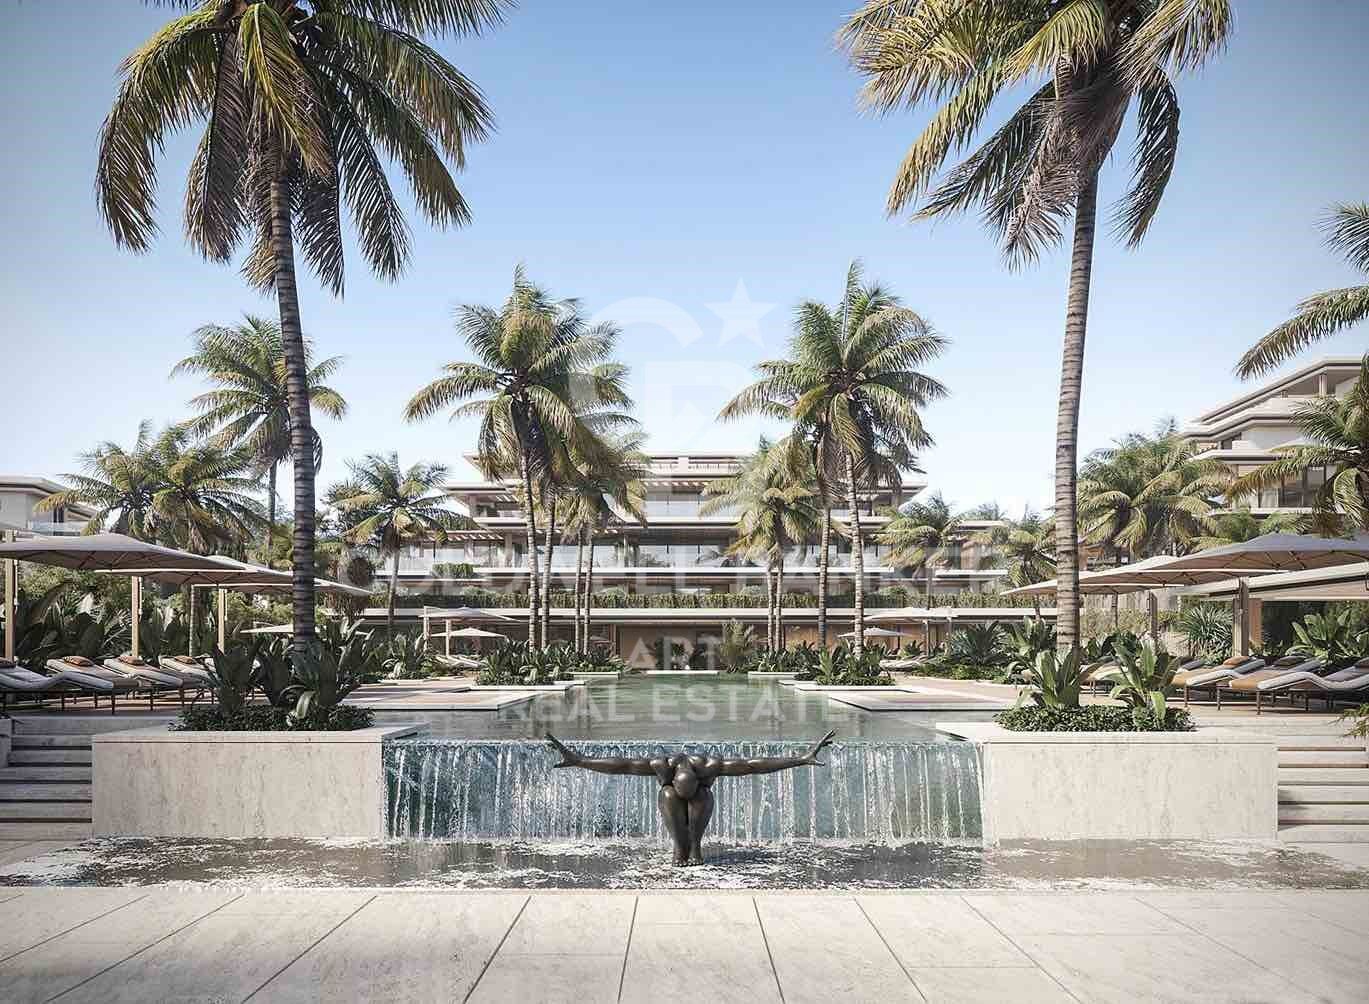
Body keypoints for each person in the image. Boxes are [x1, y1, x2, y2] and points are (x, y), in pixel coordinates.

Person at [546, 730, 836, 866]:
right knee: (667, 797)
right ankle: (679, 846)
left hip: (703, 797)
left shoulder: (709, 767)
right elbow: (621, 765)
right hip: (669, 792)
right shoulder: (662, 766)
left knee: (704, 799)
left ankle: (695, 844)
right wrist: (580, 760)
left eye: (691, 787)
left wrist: (800, 759)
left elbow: (754, 765)